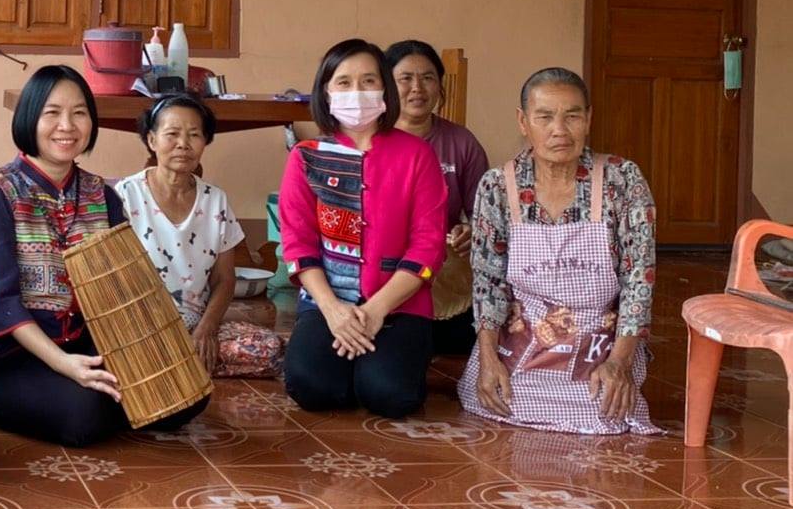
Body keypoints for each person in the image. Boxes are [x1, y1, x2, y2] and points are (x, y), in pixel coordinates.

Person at [0, 65, 209, 447]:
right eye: (52, 113)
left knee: (186, 397)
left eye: (79, 113)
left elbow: (124, 286)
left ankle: (103, 397)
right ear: (30, 117)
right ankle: (64, 400)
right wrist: (63, 364)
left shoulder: (102, 194)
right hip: (13, 358)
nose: (67, 125)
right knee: (84, 416)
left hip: (87, 342)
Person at [460, 67, 659, 434]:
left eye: (572, 116)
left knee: (605, 409)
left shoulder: (622, 179)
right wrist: (488, 359)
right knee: (503, 395)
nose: (560, 130)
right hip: (525, 333)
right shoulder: (497, 186)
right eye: (545, 117)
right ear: (523, 121)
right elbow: (488, 283)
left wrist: (620, 361)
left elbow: (639, 279)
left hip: (600, 334)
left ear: (589, 118)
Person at [280, 38, 448, 419]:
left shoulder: (418, 155)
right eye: (344, 83)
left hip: (399, 305)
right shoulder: (306, 156)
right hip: (328, 302)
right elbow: (297, 242)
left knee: (390, 396)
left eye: (369, 81)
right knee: (311, 387)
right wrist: (333, 310)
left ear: (385, 90)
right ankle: (350, 360)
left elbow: (428, 245)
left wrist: (375, 311)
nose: (357, 92)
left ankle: (374, 367)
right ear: (326, 92)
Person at [116, 94, 285, 378]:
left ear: (205, 142)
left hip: (195, 322)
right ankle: (175, 361)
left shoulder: (215, 200)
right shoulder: (126, 195)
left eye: (194, 135)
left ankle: (181, 360)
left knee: (269, 348)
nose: (183, 144)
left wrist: (207, 328)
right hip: (139, 325)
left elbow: (225, 279)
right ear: (152, 140)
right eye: (172, 134)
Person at [385, 39, 490, 355]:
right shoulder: (372, 140)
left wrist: (471, 231)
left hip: (441, 273)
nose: (417, 88)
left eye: (428, 78)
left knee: (463, 337)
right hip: (384, 268)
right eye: (405, 78)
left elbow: (483, 216)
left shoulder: (462, 142)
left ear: (440, 87)